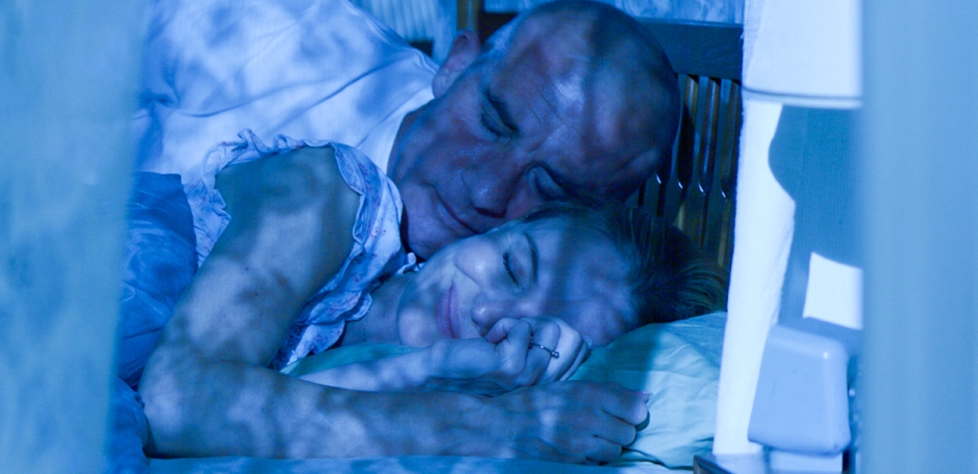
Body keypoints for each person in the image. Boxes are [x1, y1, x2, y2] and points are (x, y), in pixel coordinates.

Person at [134, 138, 724, 463]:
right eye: (512, 267)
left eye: (530, 329)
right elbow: (176, 404)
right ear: (496, 228)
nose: (487, 313)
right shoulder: (335, 194)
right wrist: (489, 426)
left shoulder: (389, 376)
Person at [136, 0, 681, 258]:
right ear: (454, 66)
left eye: (550, 187)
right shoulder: (298, 43)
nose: (487, 192)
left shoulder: (501, 306)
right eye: (492, 123)